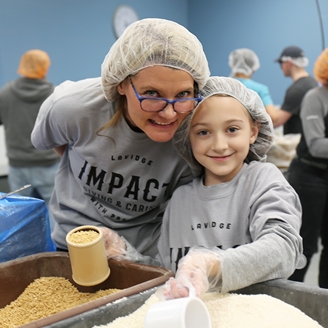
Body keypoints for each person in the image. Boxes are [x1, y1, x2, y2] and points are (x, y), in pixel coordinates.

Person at [31, 18, 210, 258]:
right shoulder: (72, 108)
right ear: (121, 84)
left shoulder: (197, 132)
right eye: (152, 93)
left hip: (145, 255)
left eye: (183, 94)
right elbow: (58, 143)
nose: (169, 113)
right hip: (75, 243)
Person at [156, 76, 305, 299]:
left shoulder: (262, 180)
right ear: (187, 137)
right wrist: (124, 254)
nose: (219, 145)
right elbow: (165, 271)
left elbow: (283, 248)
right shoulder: (180, 199)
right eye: (203, 132)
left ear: (254, 131)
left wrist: (213, 265)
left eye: (232, 129)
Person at [0, 49, 59, 231]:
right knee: (55, 213)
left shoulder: (5, 94)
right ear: (44, 68)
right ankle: (55, 255)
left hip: (18, 166)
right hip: (48, 164)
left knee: (20, 216)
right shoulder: (54, 94)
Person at [287, 48, 328, 287]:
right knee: (306, 244)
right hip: (309, 177)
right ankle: (292, 299)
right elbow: (316, 145)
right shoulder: (315, 97)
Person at [270, 46, 317, 134]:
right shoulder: (312, 83)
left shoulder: (297, 90)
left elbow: (277, 121)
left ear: (289, 63)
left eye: (281, 63)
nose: (281, 67)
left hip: (298, 144)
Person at [228, 48, 276, 116]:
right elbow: (273, 116)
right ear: (254, 68)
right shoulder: (260, 89)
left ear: (232, 65)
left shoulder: (223, 86)